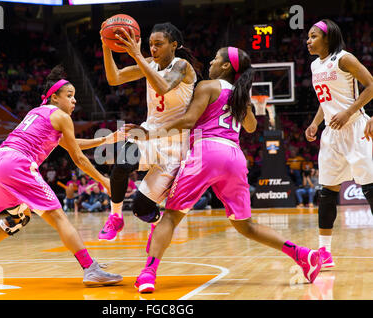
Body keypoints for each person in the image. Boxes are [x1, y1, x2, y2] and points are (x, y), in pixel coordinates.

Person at [125, 47, 323, 293]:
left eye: (216, 58)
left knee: (171, 217)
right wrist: (245, 104)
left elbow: (187, 121)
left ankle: (148, 273)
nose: (210, 60)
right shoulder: (240, 96)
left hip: (206, 152)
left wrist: (149, 134)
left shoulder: (207, 86)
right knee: (245, 225)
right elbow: (250, 128)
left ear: (226, 66)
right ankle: (302, 254)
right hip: (234, 157)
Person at [0, 65, 123, 286]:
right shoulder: (61, 116)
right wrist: (103, 180)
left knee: (19, 217)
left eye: (75, 96)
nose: (74, 101)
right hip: (18, 163)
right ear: (54, 97)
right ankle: (90, 268)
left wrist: (106, 139)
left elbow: (72, 144)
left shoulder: (35, 113)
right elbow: (78, 158)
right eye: (69, 95)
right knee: (59, 218)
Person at [99, 22, 201, 241]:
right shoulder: (149, 63)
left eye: (159, 44)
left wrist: (137, 55)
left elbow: (162, 86)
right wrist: (106, 45)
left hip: (175, 143)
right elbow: (114, 78)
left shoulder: (182, 66)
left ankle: (155, 222)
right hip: (148, 133)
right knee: (121, 164)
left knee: (141, 209)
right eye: (150, 45)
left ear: (173, 45)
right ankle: (115, 217)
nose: (153, 49)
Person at [305, 19, 373, 269]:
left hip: (356, 128)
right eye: (308, 37)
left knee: (370, 188)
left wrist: (349, 111)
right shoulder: (314, 65)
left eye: (313, 36)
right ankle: (324, 252)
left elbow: (371, 86)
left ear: (328, 37)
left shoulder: (345, 59)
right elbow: (326, 101)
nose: (308, 41)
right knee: (327, 193)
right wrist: (314, 123)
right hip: (332, 134)